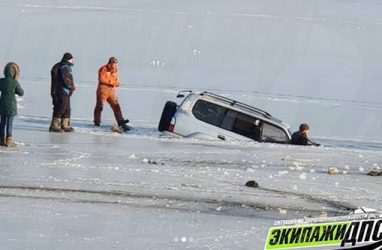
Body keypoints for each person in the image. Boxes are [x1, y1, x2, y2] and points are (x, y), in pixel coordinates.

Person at [93, 57, 129, 131]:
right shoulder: (103, 69)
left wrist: (117, 83)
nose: (115, 66)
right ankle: (97, 122)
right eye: (113, 64)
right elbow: (101, 79)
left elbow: (116, 80)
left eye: (116, 64)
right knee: (100, 106)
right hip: (103, 89)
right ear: (110, 63)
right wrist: (112, 83)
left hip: (112, 90)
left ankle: (120, 121)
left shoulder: (115, 70)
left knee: (116, 105)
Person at [49, 52, 76, 132]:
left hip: (64, 91)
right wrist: (71, 86)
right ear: (68, 60)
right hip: (61, 91)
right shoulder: (63, 67)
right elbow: (66, 80)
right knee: (61, 107)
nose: (73, 62)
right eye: (72, 60)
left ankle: (65, 125)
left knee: (66, 108)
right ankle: (55, 125)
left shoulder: (61, 66)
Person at [0, 62, 24, 147]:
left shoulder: (1, 81)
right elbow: (21, 93)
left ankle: (1, 139)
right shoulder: (15, 83)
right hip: (11, 106)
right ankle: (9, 140)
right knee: (9, 123)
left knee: (2, 122)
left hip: (2, 104)